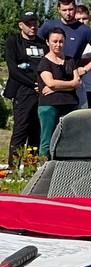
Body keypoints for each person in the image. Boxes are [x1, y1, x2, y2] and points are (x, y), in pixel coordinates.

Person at [39, 0, 91, 108]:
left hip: (71, 81)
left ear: (75, 8)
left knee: (74, 119)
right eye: (64, 10)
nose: (68, 13)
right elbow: (34, 45)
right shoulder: (49, 25)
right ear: (59, 10)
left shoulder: (84, 30)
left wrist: (85, 69)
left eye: (70, 9)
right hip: (50, 78)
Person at [4, 11, 45, 163]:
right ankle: (13, 167)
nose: (32, 27)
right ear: (20, 25)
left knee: (36, 130)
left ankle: (31, 167)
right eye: (28, 24)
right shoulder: (14, 42)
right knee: (21, 129)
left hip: (41, 93)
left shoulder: (42, 43)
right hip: (23, 92)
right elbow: (13, 70)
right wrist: (34, 84)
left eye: (35, 23)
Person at [35, 27, 80, 157]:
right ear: (48, 42)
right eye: (54, 41)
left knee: (69, 139)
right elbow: (50, 82)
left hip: (70, 105)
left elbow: (77, 83)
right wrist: (69, 84)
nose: (58, 44)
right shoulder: (44, 62)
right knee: (47, 140)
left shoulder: (70, 60)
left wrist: (58, 86)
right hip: (49, 106)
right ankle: (43, 169)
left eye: (61, 41)